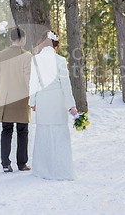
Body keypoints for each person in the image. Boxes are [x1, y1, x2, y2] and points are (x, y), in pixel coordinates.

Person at [29, 30, 78, 180]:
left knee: (44, 137)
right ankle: (62, 172)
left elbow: (33, 84)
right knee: (60, 138)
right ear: (56, 44)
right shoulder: (60, 60)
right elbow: (66, 86)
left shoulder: (35, 60)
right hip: (57, 103)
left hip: (43, 102)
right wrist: (72, 106)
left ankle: (43, 171)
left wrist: (33, 102)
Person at [0, 27, 32, 173]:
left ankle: (5, 164)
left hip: (5, 98)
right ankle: (22, 164)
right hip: (22, 98)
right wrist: (33, 98)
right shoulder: (27, 56)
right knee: (23, 131)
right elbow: (29, 79)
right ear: (22, 39)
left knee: (6, 130)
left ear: (11, 39)